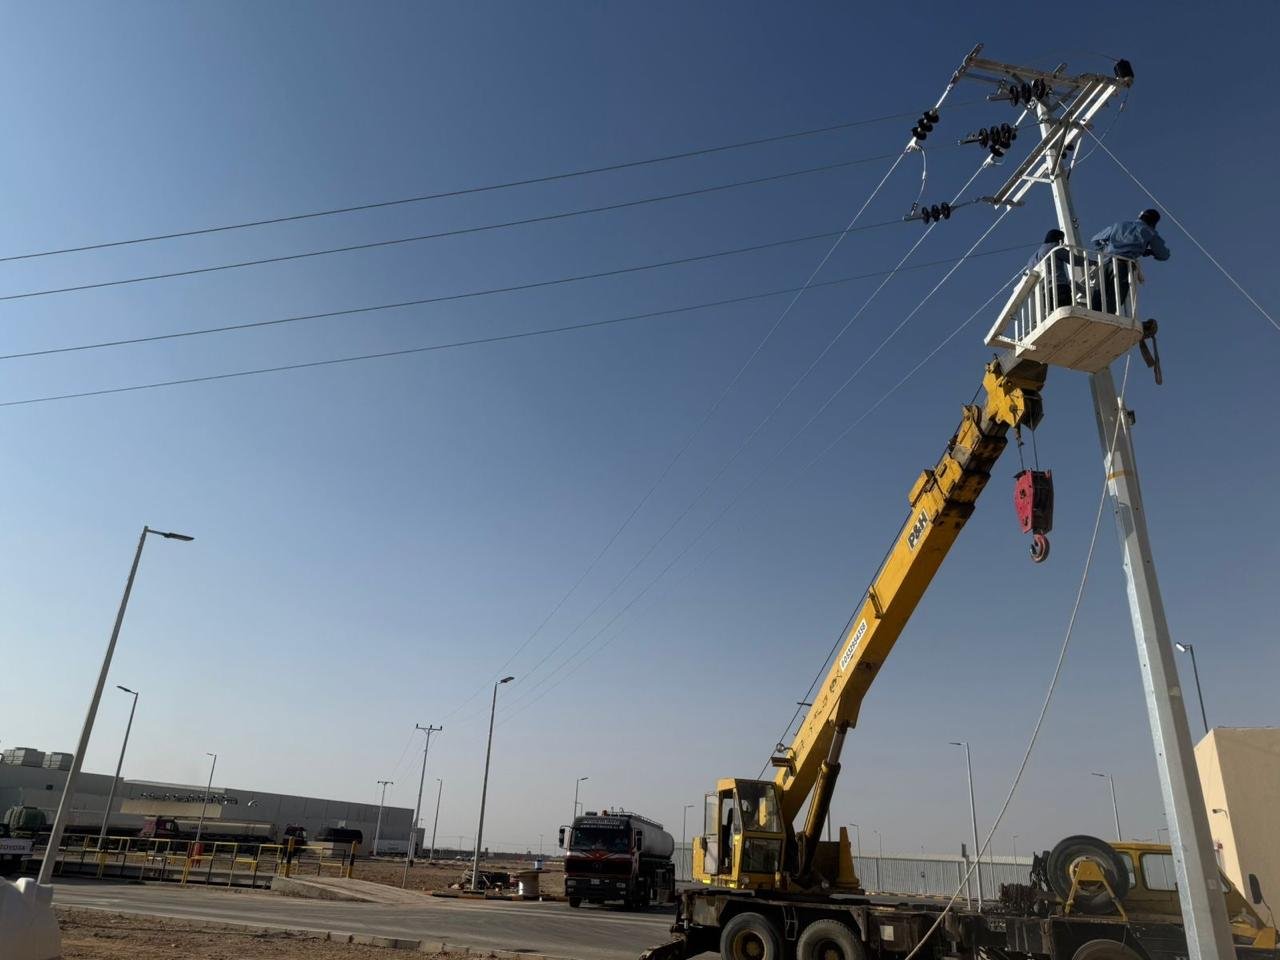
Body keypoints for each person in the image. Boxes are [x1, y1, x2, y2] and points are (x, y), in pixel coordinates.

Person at [1090, 209, 1170, 312]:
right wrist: (1148, 251)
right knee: (1114, 299)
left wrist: (1106, 249)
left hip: (1105, 264)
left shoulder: (1119, 225)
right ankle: (1105, 318)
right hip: (1122, 266)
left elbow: (1096, 240)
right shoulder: (1149, 231)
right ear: (1154, 222)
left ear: (1140, 216)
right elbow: (1163, 254)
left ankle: (1092, 315)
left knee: (1097, 296)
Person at [1026, 228, 1074, 309]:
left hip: (1042, 292)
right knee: (1065, 308)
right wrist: (1090, 262)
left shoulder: (1032, 259)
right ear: (1059, 239)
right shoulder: (1054, 247)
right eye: (1062, 239)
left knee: (1052, 311)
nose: (1062, 242)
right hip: (1059, 287)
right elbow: (1073, 259)